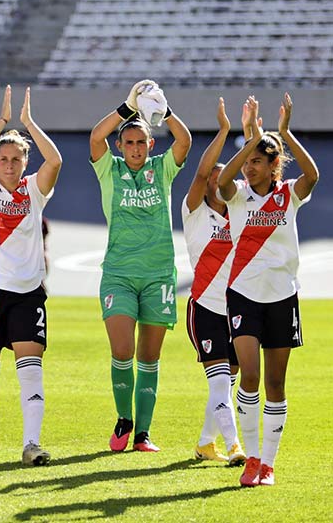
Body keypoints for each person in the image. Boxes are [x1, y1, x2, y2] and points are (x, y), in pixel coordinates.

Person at [217, 94, 318, 487]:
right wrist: (250, 139)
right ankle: (252, 457)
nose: (250, 167)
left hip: (283, 295)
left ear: (274, 164)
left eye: (259, 160)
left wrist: (286, 133)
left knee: (276, 384)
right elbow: (223, 181)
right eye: (248, 160)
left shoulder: (288, 194)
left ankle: (269, 464)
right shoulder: (238, 195)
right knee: (250, 377)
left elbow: (314, 177)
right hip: (242, 293)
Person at [89, 79, 191, 453]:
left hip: (159, 274)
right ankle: (124, 419)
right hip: (118, 273)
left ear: (151, 144)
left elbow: (184, 142)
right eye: (128, 142)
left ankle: (144, 433)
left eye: (141, 142)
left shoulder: (163, 169)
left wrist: (162, 111)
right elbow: (95, 138)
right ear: (121, 146)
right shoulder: (109, 169)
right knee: (122, 352)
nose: (134, 148)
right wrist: (127, 106)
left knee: (150, 357)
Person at [0, 85, 62, 465]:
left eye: (16, 159)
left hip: (27, 292)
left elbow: (54, 162)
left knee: (31, 369)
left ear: (24, 161)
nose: (8, 164)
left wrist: (28, 123)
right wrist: (1, 121)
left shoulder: (34, 190)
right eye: (3, 158)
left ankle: (31, 444)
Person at [181, 97, 246, 466]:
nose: (219, 183)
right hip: (204, 307)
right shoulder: (193, 212)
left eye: (227, 179)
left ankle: (206, 443)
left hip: (237, 306)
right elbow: (203, 173)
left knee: (227, 381)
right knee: (221, 381)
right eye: (214, 180)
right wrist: (224, 130)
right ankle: (235, 446)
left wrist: (251, 132)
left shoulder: (239, 214)